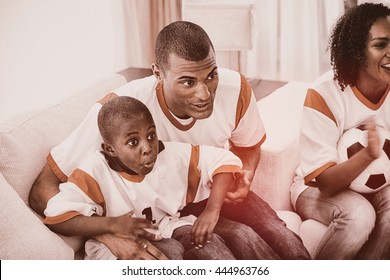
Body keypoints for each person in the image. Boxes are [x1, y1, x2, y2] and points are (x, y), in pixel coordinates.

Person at [30, 20, 310, 260]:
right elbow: (43, 188)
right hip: (165, 211)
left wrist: (245, 173)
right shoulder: (120, 112)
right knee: (241, 234)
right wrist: (108, 232)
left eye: (210, 75)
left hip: (212, 187)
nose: (205, 94)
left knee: (280, 234)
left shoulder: (235, 88)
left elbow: (248, 146)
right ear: (158, 74)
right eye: (188, 82)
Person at [44, 96, 277, 260]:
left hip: (165, 226)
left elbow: (224, 161)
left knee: (208, 242)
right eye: (133, 142)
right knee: (171, 253)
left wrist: (211, 211)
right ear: (111, 149)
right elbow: (57, 215)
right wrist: (112, 225)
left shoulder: (168, 154)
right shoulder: (93, 172)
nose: (148, 148)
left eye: (151, 135)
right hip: (116, 244)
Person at [291, 2, 390, 259]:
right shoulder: (323, 94)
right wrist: (367, 155)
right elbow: (326, 182)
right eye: (380, 45)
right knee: (359, 216)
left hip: (377, 185)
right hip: (314, 188)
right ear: (357, 51)